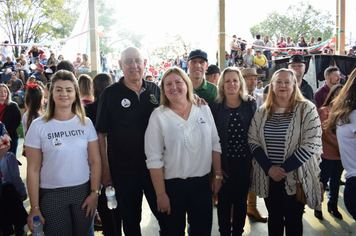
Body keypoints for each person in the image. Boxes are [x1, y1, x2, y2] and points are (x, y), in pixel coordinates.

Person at [96, 47, 167, 236]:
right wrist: (105, 170)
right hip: (124, 172)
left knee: (166, 218)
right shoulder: (110, 94)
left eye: (138, 60)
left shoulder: (155, 90)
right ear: (120, 65)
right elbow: (100, 134)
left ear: (144, 64)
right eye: (128, 61)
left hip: (155, 170)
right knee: (131, 222)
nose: (134, 65)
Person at [145, 67, 222, 236]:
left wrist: (217, 175)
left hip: (202, 184)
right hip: (172, 187)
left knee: (202, 232)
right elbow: (153, 159)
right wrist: (161, 194)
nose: (174, 87)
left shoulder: (203, 109)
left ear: (187, 84)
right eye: (168, 84)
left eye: (178, 82)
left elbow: (215, 143)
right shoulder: (158, 116)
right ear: (163, 89)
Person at [25, 70, 101, 235]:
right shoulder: (38, 126)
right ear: (51, 93)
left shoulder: (86, 123)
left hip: (83, 193)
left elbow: (95, 160)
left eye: (68, 89)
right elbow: (33, 169)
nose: (63, 94)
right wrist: (34, 207)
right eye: (58, 89)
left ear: (75, 93)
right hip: (52, 196)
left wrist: (95, 192)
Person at [248, 68, 323, 236]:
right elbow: (253, 140)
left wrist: (281, 170)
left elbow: (311, 143)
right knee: (274, 218)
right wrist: (269, 168)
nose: (283, 85)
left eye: (287, 82)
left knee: (294, 219)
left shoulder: (307, 109)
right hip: (268, 178)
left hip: (295, 177)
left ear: (294, 85)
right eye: (278, 82)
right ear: (272, 86)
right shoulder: (262, 112)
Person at [210, 67, 255, 235]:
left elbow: (254, 136)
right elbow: (212, 139)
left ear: (240, 83)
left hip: (244, 163)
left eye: (235, 80)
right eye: (227, 81)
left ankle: (238, 232)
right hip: (223, 164)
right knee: (223, 203)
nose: (231, 84)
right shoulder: (215, 107)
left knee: (241, 202)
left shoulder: (250, 104)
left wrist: (253, 164)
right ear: (222, 85)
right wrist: (217, 167)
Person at [84, 73, 122, 236]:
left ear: (94, 87)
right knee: (117, 208)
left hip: (97, 164)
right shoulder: (116, 107)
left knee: (105, 209)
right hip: (118, 162)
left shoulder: (88, 110)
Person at [325, 67, 356, 220]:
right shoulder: (353, 115)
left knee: (335, 179)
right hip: (354, 183)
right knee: (327, 178)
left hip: (352, 183)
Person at [314, 84, 344, 220]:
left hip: (341, 154)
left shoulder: (346, 112)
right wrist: (337, 146)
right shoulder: (324, 111)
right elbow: (323, 133)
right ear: (332, 95)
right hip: (327, 152)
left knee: (336, 180)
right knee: (323, 180)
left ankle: (333, 204)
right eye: (336, 93)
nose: (339, 96)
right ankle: (318, 206)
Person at [0, 124, 27, 236]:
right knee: (17, 213)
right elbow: (15, 178)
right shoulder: (9, 157)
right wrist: (22, 191)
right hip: (10, 192)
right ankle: (19, 230)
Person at [0, 84, 21, 156]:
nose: (3, 93)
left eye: (5, 91)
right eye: (0, 91)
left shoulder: (13, 105)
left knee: (10, 160)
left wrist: (6, 134)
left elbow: (17, 121)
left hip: (11, 138)